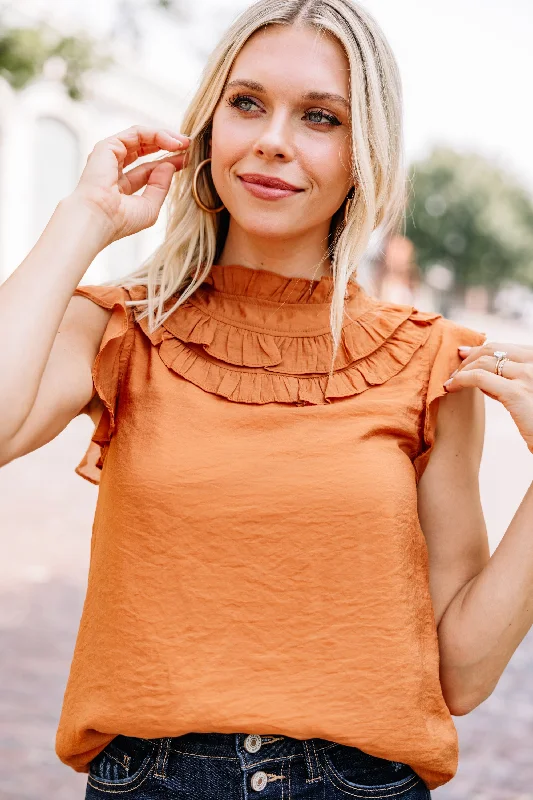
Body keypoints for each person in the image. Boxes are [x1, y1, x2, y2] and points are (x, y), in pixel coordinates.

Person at [1, 1, 533, 798]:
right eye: (247, 103)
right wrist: (86, 219)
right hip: (153, 780)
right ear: (209, 127)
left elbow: (457, 674)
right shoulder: (120, 328)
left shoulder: (431, 361)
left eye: (319, 117)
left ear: (364, 153)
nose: (273, 139)